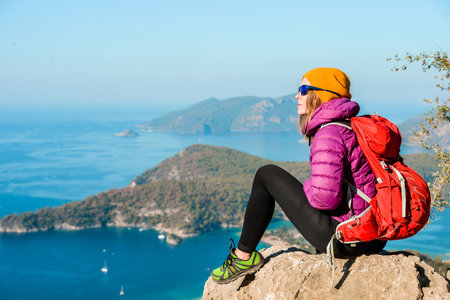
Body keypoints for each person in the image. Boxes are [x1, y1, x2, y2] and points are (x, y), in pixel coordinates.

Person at [210, 67, 387, 284]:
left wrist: (307, 186)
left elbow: (326, 198)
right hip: (374, 236)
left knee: (266, 175)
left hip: (345, 238)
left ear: (320, 94)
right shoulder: (350, 126)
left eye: (303, 89)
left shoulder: (329, 133)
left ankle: (243, 257)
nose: (297, 95)